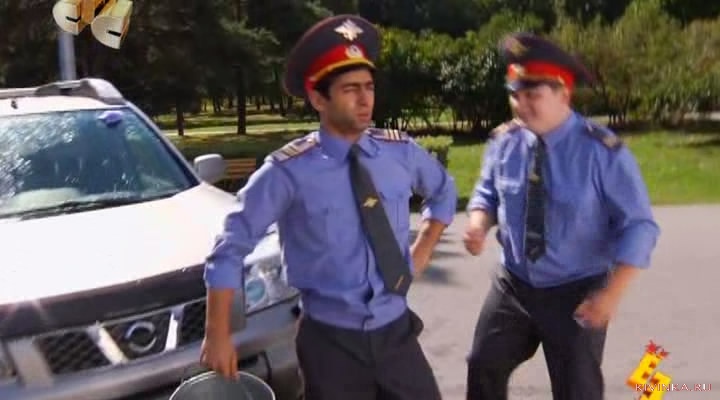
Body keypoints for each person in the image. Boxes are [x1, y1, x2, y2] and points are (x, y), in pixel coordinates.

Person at [200, 14, 457, 400]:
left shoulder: (399, 152)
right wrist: (217, 334)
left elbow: (444, 190)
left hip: (396, 333)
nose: (365, 99)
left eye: (369, 87)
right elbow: (229, 248)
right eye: (350, 89)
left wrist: (423, 247)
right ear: (319, 98)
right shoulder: (288, 172)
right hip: (330, 344)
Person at [462, 32, 660, 400]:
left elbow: (639, 226)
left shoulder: (602, 152)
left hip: (576, 290)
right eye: (515, 95)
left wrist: (611, 294)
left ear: (563, 94)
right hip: (514, 284)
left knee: (576, 389)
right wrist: (478, 222)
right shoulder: (505, 142)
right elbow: (487, 191)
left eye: (532, 95)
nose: (521, 105)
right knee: (483, 365)